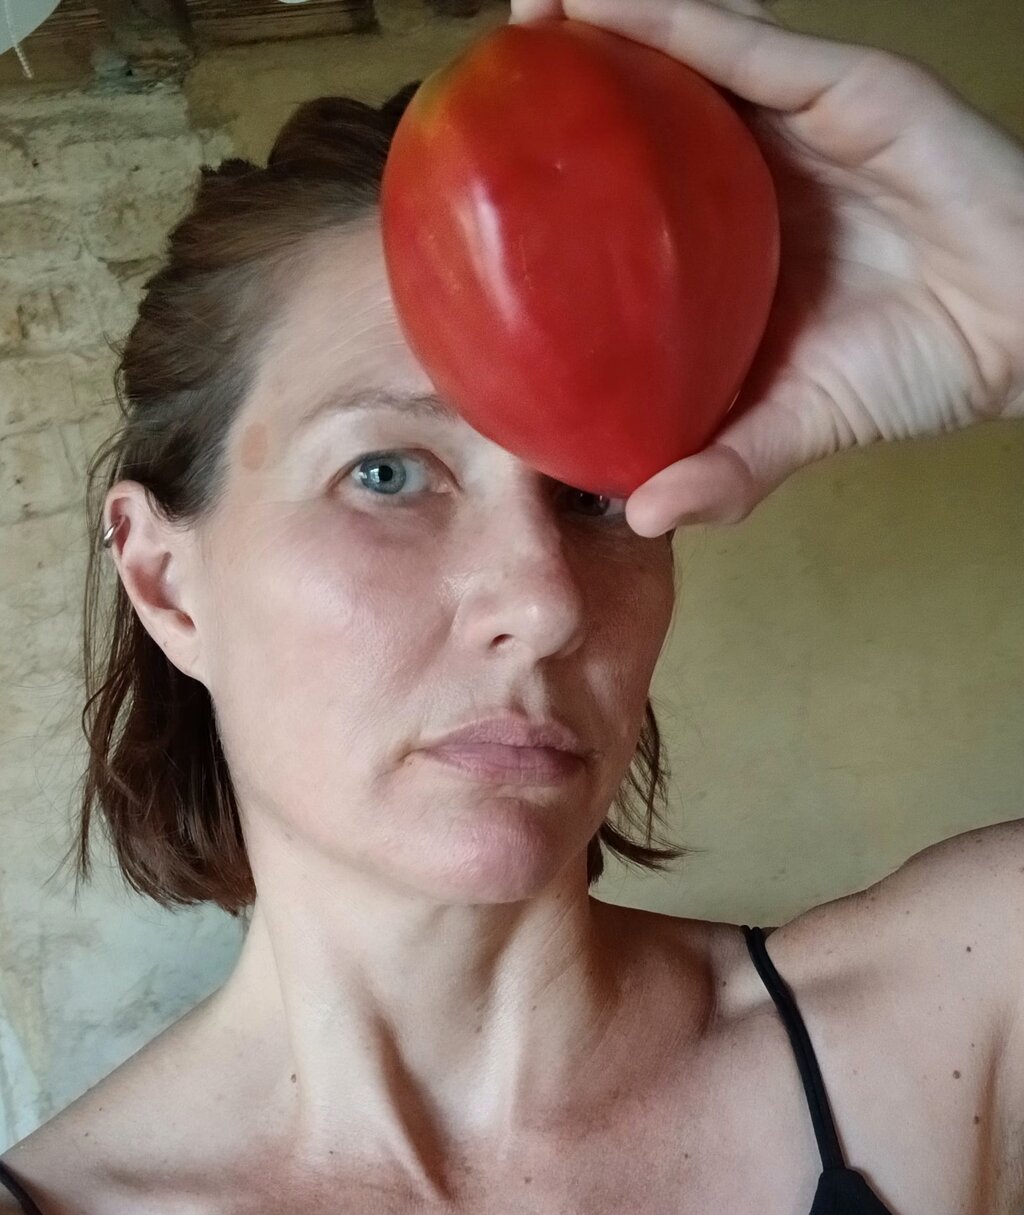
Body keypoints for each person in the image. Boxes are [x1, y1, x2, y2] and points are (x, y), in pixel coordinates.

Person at [1, 0, 1021, 1210]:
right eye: (387, 474)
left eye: (593, 494)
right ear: (166, 583)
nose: (544, 602)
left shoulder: (966, 1010)